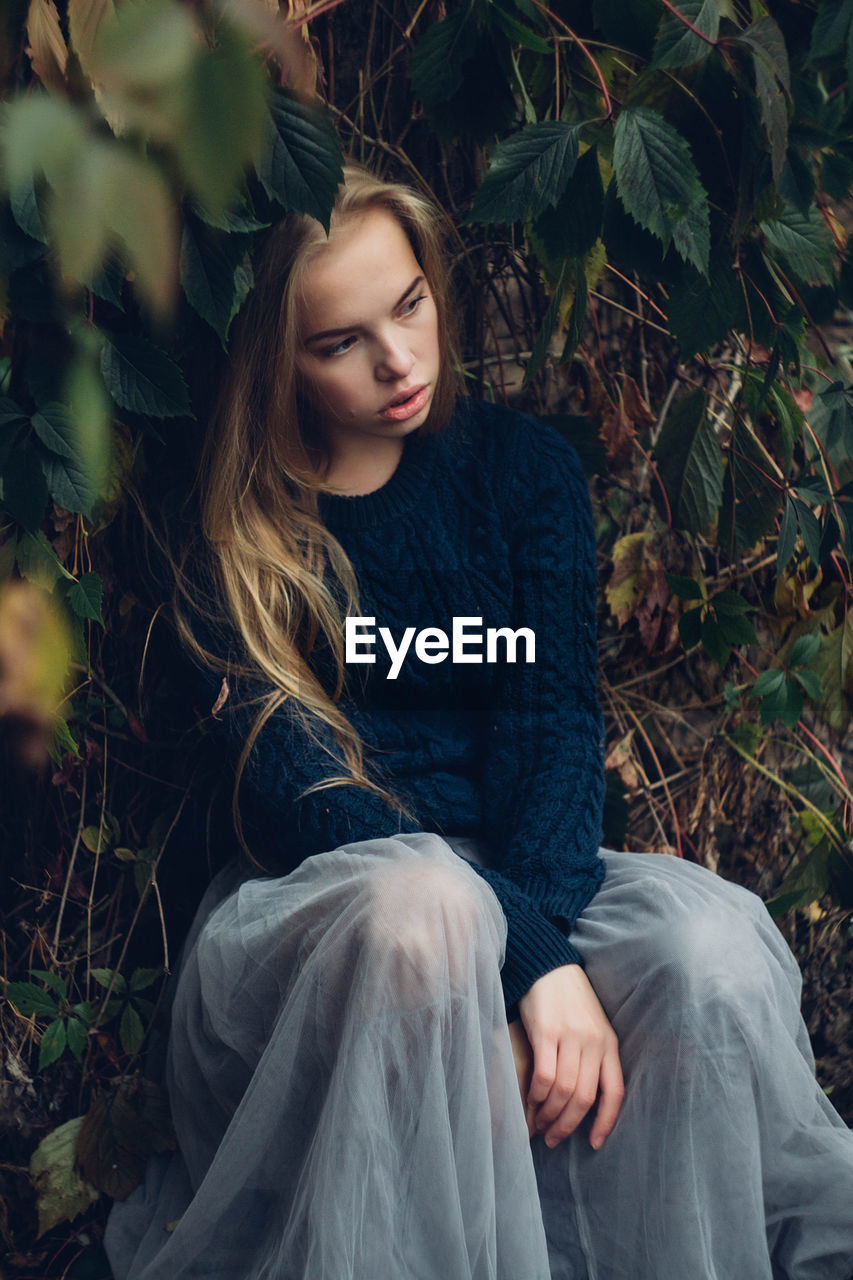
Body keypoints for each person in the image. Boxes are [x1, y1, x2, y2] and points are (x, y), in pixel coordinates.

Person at [104, 162, 853, 1280]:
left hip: (520, 868)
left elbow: (553, 724)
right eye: (338, 342)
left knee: (704, 949)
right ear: (278, 361)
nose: (398, 359)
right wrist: (524, 962)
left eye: (408, 305)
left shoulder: (522, 471)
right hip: (336, 908)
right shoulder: (238, 529)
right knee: (425, 907)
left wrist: (537, 947)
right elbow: (309, 794)